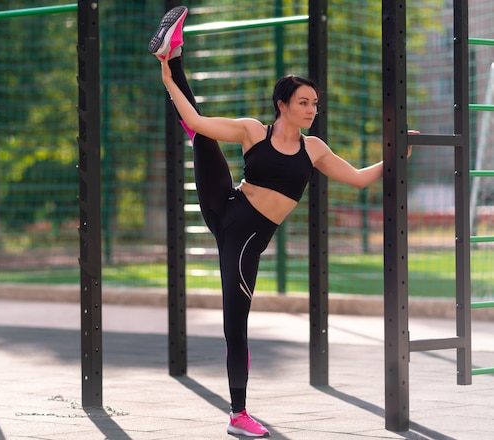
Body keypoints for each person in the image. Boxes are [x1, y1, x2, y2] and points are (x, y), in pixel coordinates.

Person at [149, 6, 413, 438]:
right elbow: (194, 119)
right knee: (201, 136)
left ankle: (171, 56)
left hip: (247, 237)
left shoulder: (315, 150)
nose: (312, 109)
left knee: (236, 324)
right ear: (283, 105)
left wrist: (396, 153)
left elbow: (361, 179)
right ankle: (170, 57)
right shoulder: (254, 131)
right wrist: (167, 84)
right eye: (304, 102)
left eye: (315, 103)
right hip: (228, 209)